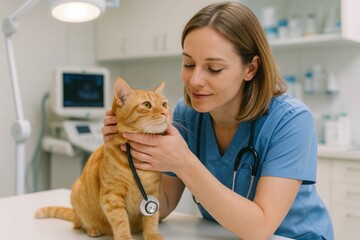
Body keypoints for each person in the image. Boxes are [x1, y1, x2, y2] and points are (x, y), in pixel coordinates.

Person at [101, 2, 333, 239]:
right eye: (189, 64)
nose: (194, 81)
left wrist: (184, 163)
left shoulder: (291, 121)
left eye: (214, 68)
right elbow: (164, 203)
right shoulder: (187, 115)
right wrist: (124, 152)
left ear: (250, 68)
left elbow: (260, 229)